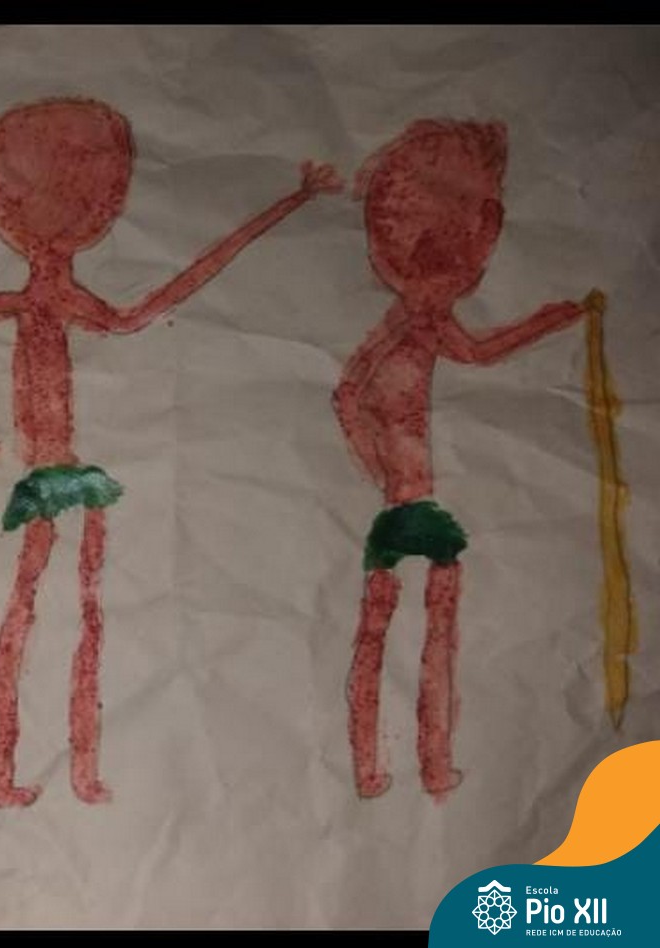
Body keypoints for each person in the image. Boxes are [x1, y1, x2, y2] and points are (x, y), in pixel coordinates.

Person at [0, 97, 341, 807]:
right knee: (42, 612)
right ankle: (17, 774)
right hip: (55, 479)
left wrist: (287, 204)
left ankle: (66, 771)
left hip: (69, 479)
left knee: (67, 614)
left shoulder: (51, 304)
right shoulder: (42, 305)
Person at [334, 119, 596, 801]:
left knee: (411, 632)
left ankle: (410, 765)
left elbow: (469, 356)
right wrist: (381, 472)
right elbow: (348, 394)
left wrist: (548, 322)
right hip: (406, 505)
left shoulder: (420, 319)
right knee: (401, 634)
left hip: (412, 506)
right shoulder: (410, 320)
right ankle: (392, 765)